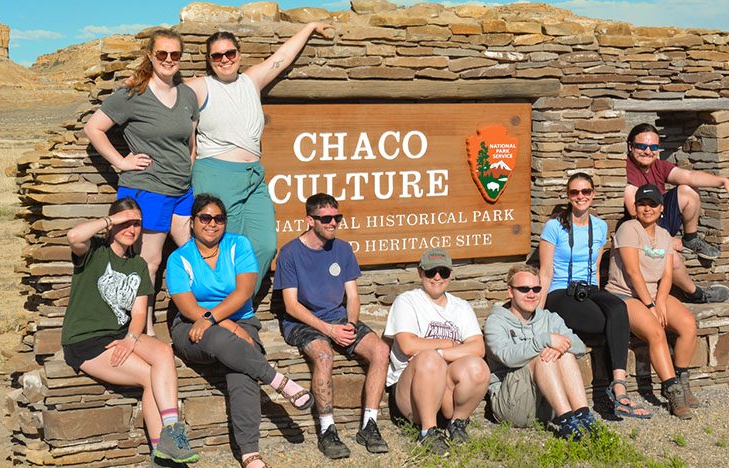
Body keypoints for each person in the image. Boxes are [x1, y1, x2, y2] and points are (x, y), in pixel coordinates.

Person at [185, 23, 334, 293]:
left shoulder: (251, 80)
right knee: (220, 246)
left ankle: (236, 307)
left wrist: (310, 27)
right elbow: (163, 91)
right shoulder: (200, 87)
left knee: (264, 245)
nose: (224, 60)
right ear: (209, 60)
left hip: (253, 176)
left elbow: (283, 57)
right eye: (217, 56)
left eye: (229, 53)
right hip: (216, 175)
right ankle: (217, 313)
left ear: (239, 54)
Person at [166, 193, 313, 468]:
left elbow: (244, 291)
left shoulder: (238, 245)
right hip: (191, 326)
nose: (212, 224)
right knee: (226, 339)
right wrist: (224, 322)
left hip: (237, 320)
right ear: (193, 222)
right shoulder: (179, 258)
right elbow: (186, 305)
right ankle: (280, 382)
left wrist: (220, 320)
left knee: (241, 370)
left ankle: (249, 453)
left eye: (219, 218)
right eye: (205, 218)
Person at [61, 198, 198, 464]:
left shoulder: (137, 265)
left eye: (136, 223)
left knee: (162, 351)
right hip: (85, 341)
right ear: (112, 224)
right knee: (149, 376)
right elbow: (73, 235)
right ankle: (163, 454)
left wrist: (130, 339)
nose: (132, 228)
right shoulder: (94, 251)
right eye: (125, 222)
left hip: (119, 337)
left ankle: (172, 433)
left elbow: (138, 314)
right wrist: (112, 220)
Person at [83, 28, 199, 335]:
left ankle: (200, 317)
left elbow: (191, 139)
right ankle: (144, 330)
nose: (169, 60)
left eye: (175, 54)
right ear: (151, 55)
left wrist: (190, 162)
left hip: (182, 189)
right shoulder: (133, 95)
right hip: (150, 187)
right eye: (162, 54)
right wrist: (120, 162)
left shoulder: (186, 94)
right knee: (150, 260)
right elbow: (93, 128)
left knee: (192, 253)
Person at [274, 193, 390, 459]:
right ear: (310, 220)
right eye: (326, 218)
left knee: (381, 351)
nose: (333, 223)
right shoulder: (290, 252)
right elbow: (291, 306)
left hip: (338, 318)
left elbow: (353, 296)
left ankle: (369, 425)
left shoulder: (343, 249)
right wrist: (329, 331)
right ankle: (328, 430)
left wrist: (349, 325)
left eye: (336, 217)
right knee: (324, 355)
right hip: (302, 321)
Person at [538, 172, 652, 420]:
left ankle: (619, 386)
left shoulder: (599, 227)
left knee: (618, 309)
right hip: (559, 291)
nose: (581, 197)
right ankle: (617, 391)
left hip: (588, 288)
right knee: (607, 323)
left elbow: (596, 266)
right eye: (575, 192)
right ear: (568, 196)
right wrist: (537, 311)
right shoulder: (554, 227)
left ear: (593, 194)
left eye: (585, 192)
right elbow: (545, 271)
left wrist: (600, 296)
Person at [606, 184, 701, 420]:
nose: (647, 209)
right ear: (635, 207)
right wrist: (650, 306)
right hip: (624, 294)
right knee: (656, 332)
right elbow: (632, 271)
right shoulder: (629, 229)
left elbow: (668, 275)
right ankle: (673, 392)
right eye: (642, 204)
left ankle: (682, 380)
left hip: (653, 293)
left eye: (652, 204)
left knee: (688, 324)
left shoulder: (664, 235)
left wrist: (659, 302)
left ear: (661, 209)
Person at [383, 248, 490, 456]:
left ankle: (456, 423)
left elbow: (478, 347)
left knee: (478, 367)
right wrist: (449, 344)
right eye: (431, 272)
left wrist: (440, 352)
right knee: (429, 359)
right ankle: (427, 432)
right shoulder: (407, 301)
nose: (437, 277)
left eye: (443, 272)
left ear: (451, 274)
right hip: (411, 392)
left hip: (446, 389)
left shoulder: (461, 306)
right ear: (420, 272)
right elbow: (408, 345)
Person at [623, 122, 729, 304]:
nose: (648, 151)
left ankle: (690, 238)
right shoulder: (625, 169)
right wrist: (666, 239)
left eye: (653, 147)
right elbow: (635, 213)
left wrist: (722, 181)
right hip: (641, 229)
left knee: (687, 190)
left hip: (659, 218)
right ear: (630, 146)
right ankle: (696, 294)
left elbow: (690, 177)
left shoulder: (659, 166)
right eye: (642, 146)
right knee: (671, 259)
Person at [484, 264, 597, 439]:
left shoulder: (549, 318)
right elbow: (508, 357)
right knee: (542, 356)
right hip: (512, 404)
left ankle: (583, 416)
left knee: (564, 352)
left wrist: (557, 349)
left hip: (549, 405)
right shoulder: (496, 322)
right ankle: (567, 422)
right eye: (524, 289)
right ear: (510, 291)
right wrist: (545, 341)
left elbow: (579, 346)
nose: (531, 294)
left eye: (536, 289)